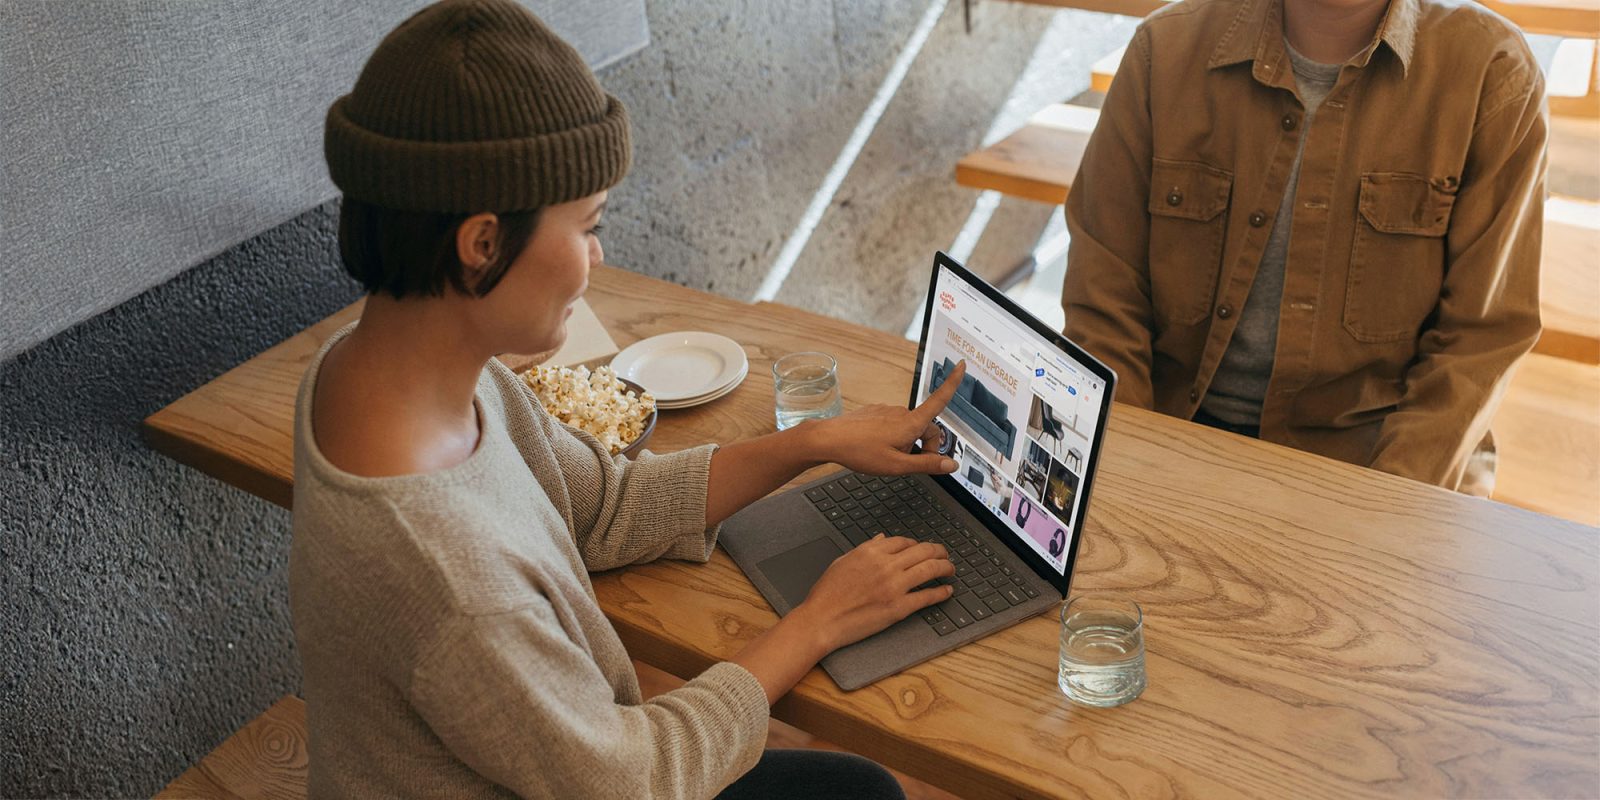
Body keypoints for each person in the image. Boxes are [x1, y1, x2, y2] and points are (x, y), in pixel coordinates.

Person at [291, 1, 967, 797]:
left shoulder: (389, 371)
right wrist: (819, 621)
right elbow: (633, 780)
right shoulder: (452, 576)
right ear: (481, 244)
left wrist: (811, 443)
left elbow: (602, 506)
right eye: (585, 226)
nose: (597, 255)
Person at [1061, 0, 1546, 494]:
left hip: (1372, 459)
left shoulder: (1492, 71)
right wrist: (1128, 468)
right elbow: (1104, 294)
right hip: (1172, 428)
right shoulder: (1164, 49)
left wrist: (1390, 504)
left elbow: (1479, 341)